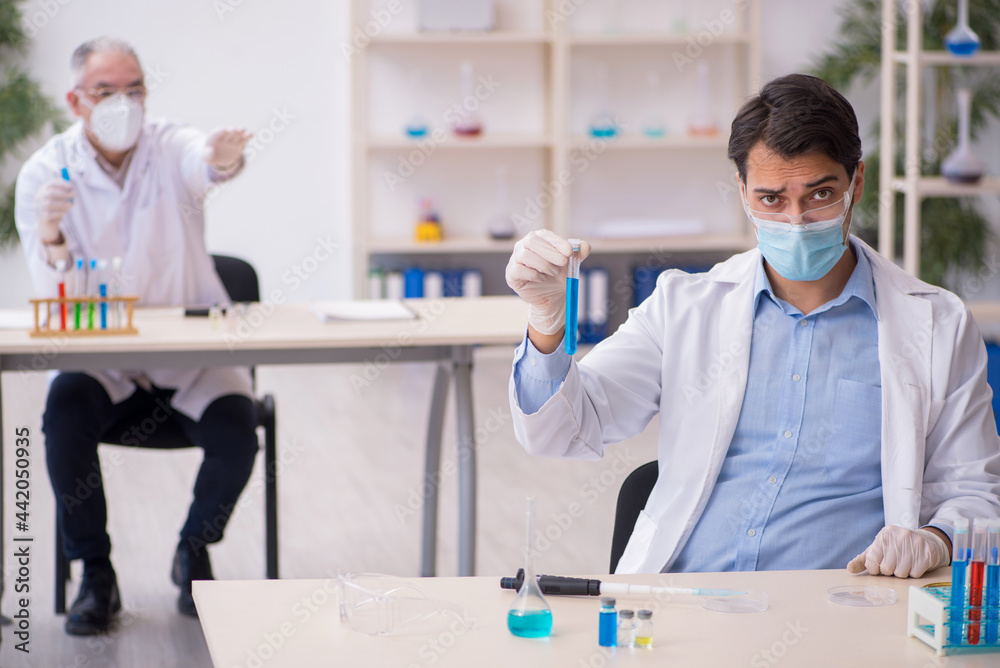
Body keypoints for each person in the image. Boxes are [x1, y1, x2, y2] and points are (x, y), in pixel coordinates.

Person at [505, 73, 1000, 578]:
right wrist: (546, 323)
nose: (797, 220)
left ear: (856, 182)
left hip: (839, 609)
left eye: (820, 194)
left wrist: (936, 540)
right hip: (681, 603)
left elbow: (975, 492)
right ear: (742, 192)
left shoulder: (937, 325)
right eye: (772, 199)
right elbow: (565, 431)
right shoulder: (684, 306)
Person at [15, 37, 258, 635]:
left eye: (134, 89)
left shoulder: (168, 143)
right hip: (104, 360)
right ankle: (94, 573)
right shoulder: (45, 171)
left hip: (190, 357)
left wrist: (223, 160)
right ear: (75, 100)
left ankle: (193, 549)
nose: (122, 103)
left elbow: (205, 164)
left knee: (238, 429)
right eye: (105, 91)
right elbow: (52, 295)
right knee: (64, 413)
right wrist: (50, 232)